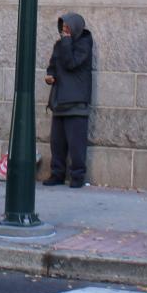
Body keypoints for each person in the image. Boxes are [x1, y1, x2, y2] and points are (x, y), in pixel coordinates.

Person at [42, 12, 95, 188]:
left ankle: (77, 177)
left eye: (67, 28)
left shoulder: (84, 44)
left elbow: (71, 63)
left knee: (76, 145)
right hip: (59, 101)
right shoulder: (60, 45)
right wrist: (50, 75)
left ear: (75, 28)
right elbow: (53, 65)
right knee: (57, 143)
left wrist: (65, 42)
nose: (64, 32)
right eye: (62, 28)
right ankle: (57, 174)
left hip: (76, 102)